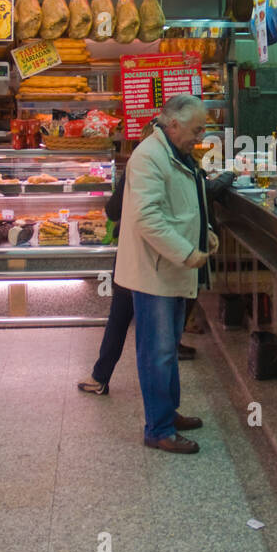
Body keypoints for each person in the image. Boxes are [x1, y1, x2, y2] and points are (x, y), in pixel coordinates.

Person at [77, 144, 234, 396]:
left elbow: (113, 210)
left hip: (140, 261)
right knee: (157, 340)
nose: (198, 137)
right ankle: (158, 411)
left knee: (123, 319)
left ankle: (102, 377)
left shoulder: (149, 166)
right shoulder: (161, 167)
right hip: (154, 264)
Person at [114, 95, 217, 454]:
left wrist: (204, 235)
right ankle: (157, 429)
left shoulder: (177, 154)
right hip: (155, 272)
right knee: (156, 352)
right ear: (173, 124)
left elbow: (184, 206)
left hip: (171, 268)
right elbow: (148, 218)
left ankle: (168, 413)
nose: (201, 136)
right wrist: (187, 251)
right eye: (196, 129)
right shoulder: (149, 156)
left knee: (168, 349)